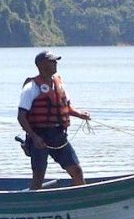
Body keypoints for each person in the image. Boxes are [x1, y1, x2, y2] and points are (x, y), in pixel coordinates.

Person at [18, 50, 90, 190]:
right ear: (41, 64)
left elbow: (66, 107)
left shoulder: (59, 84)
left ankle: (80, 201)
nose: (55, 63)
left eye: (55, 61)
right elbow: (21, 116)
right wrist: (34, 137)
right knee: (38, 176)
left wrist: (80, 114)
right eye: (52, 61)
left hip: (58, 136)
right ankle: (33, 205)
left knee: (76, 171)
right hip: (40, 137)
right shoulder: (31, 88)